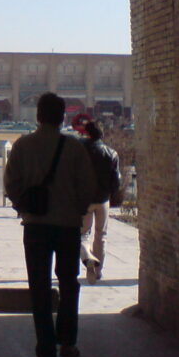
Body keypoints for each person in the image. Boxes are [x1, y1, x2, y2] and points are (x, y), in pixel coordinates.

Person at [4, 92, 95, 357]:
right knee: (69, 283)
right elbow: (88, 188)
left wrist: (25, 207)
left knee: (40, 288)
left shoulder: (23, 146)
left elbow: (11, 184)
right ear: (63, 117)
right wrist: (76, 209)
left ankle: (45, 353)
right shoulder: (74, 148)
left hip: (36, 227)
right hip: (67, 226)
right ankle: (67, 341)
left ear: (38, 116)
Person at [79, 119, 120, 284]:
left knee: (82, 235)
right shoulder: (111, 153)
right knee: (101, 235)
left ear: (86, 133)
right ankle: (98, 271)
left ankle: (88, 258)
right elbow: (116, 181)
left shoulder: (79, 152)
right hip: (102, 199)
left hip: (84, 199)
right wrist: (111, 193)